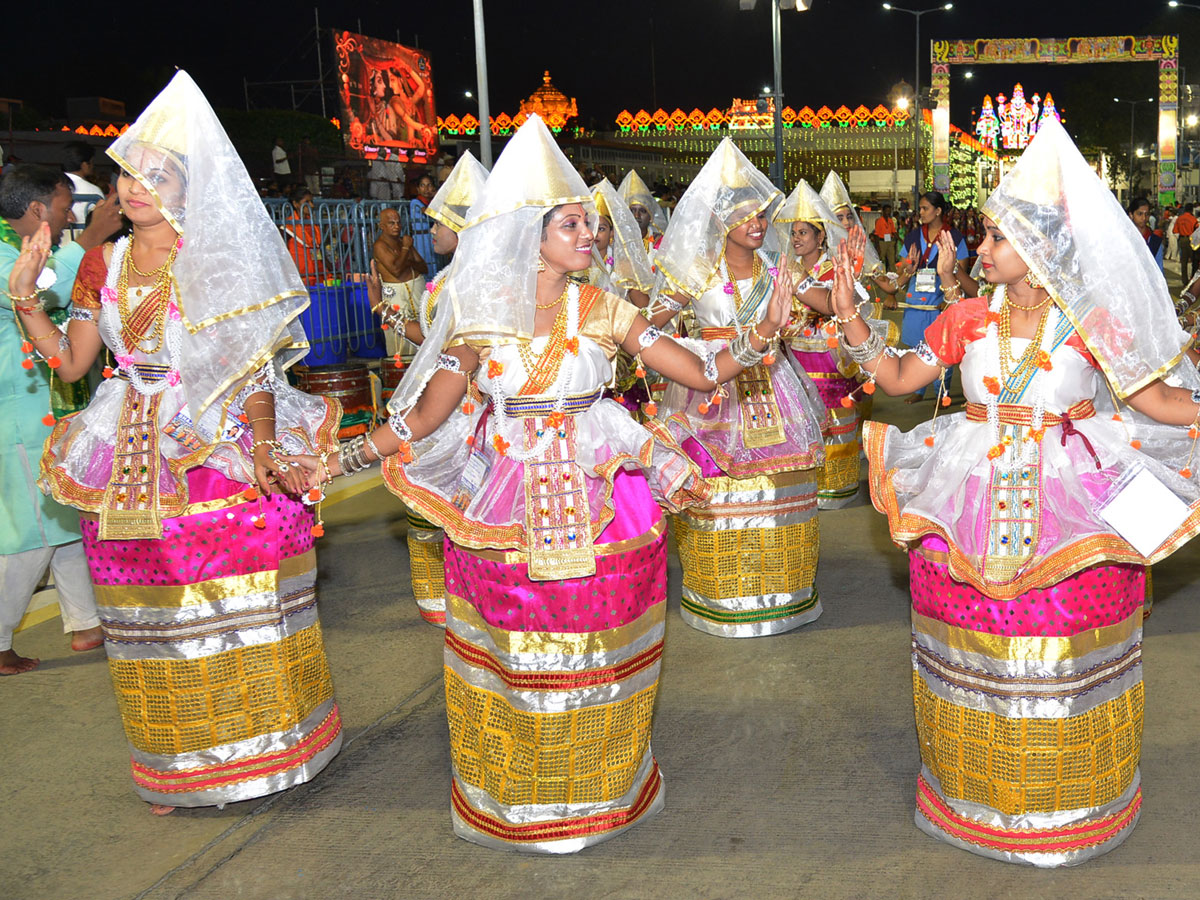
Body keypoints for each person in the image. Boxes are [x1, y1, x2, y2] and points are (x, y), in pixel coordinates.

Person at [287, 115, 790, 851]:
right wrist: (342, 459)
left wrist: (758, 338)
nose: (589, 234)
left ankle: (599, 789)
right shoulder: (480, 315)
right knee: (515, 654)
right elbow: (427, 415)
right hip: (505, 505)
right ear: (530, 233)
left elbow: (703, 371)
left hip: (601, 502)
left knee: (599, 651)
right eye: (570, 223)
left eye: (587, 221)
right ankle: (521, 795)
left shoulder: (605, 308)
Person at [834, 117, 1200, 866]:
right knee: (978, 643)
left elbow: (1158, 402)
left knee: (1065, 642)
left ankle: (1070, 796)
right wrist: (851, 323)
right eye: (984, 238)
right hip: (970, 487)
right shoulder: (967, 318)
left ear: (1035, 252)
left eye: (996, 239)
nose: (981, 250)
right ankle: (979, 791)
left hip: (1074, 491)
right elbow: (901, 380)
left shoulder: (1091, 324)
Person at [11, 72, 343, 813]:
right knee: (144, 616)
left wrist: (260, 443)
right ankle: (175, 764)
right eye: (129, 173)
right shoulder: (106, 261)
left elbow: (251, 369)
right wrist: (26, 297)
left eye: (155, 175)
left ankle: (260, 754)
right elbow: (72, 360)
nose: (135, 188)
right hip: (126, 447)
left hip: (212, 439)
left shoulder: (215, 263)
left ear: (190, 189)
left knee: (230, 605)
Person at [650, 140, 828, 637]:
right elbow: (645, 326)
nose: (758, 224)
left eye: (761, 216)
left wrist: (845, 284)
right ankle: (724, 593)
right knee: (717, 492)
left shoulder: (778, 271)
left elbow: (829, 302)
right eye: (747, 216)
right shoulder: (698, 274)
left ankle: (781, 590)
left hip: (772, 385)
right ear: (721, 223)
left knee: (778, 489)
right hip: (712, 391)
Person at [0, 165, 120, 674]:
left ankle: (87, 623)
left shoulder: (22, 248)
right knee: (29, 532)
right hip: (18, 415)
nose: (70, 216)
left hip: (46, 408)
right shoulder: (8, 257)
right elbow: (41, 295)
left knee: (65, 516)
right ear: (36, 211)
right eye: (64, 206)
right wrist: (90, 242)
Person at [374, 150, 488, 627]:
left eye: (439, 224)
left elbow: (468, 353)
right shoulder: (442, 279)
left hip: (466, 407)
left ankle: (469, 599)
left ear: (461, 229)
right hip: (434, 394)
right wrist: (399, 319)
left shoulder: (478, 281)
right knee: (425, 504)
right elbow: (434, 344)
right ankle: (440, 600)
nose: (433, 233)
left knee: (466, 503)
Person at [778, 179, 876, 509]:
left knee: (833, 418)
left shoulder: (833, 269)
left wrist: (854, 275)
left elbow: (848, 305)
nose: (796, 239)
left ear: (821, 236)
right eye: (793, 234)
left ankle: (834, 484)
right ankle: (804, 483)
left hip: (826, 357)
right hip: (793, 355)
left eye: (803, 233)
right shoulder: (786, 269)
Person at [896, 190, 974, 403]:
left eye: (925, 208)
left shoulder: (954, 236)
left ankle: (943, 391)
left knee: (940, 345)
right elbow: (904, 267)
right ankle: (919, 389)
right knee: (916, 344)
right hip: (916, 297)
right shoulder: (913, 235)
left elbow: (961, 270)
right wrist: (907, 268)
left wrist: (948, 300)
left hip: (940, 295)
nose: (920, 212)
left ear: (938, 211)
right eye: (920, 208)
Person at [372, 207, 426, 357]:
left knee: (423, 329)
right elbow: (396, 270)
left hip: (416, 289)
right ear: (382, 226)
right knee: (399, 338)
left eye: (398, 222)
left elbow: (423, 267)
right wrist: (405, 249)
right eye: (391, 223)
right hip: (396, 295)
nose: (396, 226)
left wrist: (406, 258)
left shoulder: (404, 241)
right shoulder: (380, 246)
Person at [62, 141, 105, 244]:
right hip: (84, 245)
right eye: (92, 162)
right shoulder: (94, 192)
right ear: (85, 164)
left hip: (56, 246)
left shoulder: (52, 187)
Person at [618, 169, 668, 254]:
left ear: (651, 216)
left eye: (642, 211)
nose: (636, 215)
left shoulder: (659, 242)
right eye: (632, 211)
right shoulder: (618, 241)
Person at [284, 187, 325, 285]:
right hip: (299, 276)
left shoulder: (313, 224)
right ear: (295, 204)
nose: (311, 205)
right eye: (307, 202)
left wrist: (330, 268)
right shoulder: (287, 226)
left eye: (311, 202)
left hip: (317, 273)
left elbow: (318, 249)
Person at [408, 173, 438, 276]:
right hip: (420, 237)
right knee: (423, 262)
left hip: (430, 236)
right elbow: (427, 212)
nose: (426, 188)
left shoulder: (431, 202)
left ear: (433, 187)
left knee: (433, 262)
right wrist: (437, 197)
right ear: (418, 189)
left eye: (429, 185)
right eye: (422, 185)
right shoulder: (415, 202)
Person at [1129, 197, 1165, 271]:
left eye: (1147, 214)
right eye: (1140, 214)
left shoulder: (1155, 242)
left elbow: (1159, 269)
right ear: (1131, 215)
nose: (1144, 218)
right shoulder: (1125, 239)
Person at [1174, 204, 1198, 282]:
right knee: (1194, 261)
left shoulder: (1179, 218)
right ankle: (1193, 279)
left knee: (1184, 261)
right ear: (1191, 210)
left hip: (1182, 240)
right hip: (1191, 240)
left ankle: (1184, 280)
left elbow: (1175, 231)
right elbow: (1197, 230)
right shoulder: (1193, 219)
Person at [872, 203, 898, 270]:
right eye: (886, 211)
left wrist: (897, 240)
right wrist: (878, 247)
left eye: (889, 211)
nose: (888, 213)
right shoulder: (879, 221)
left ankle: (893, 275)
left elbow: (894, 231)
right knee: (881, 260)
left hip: (890, 242)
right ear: (883, 211)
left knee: (892, 260)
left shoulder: (891, 221)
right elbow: (876, 234)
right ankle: (881, 274)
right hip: (882, 242)